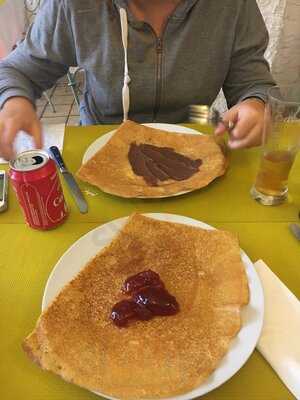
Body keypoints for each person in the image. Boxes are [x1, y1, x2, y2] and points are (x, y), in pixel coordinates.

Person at [0, 0, 275, 160]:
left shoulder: (233, 5)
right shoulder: (74, 5)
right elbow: (18, 70)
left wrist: (254, 104)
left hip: (192, 151)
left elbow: (252, 81)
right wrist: (14, 102)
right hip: (100, 152)